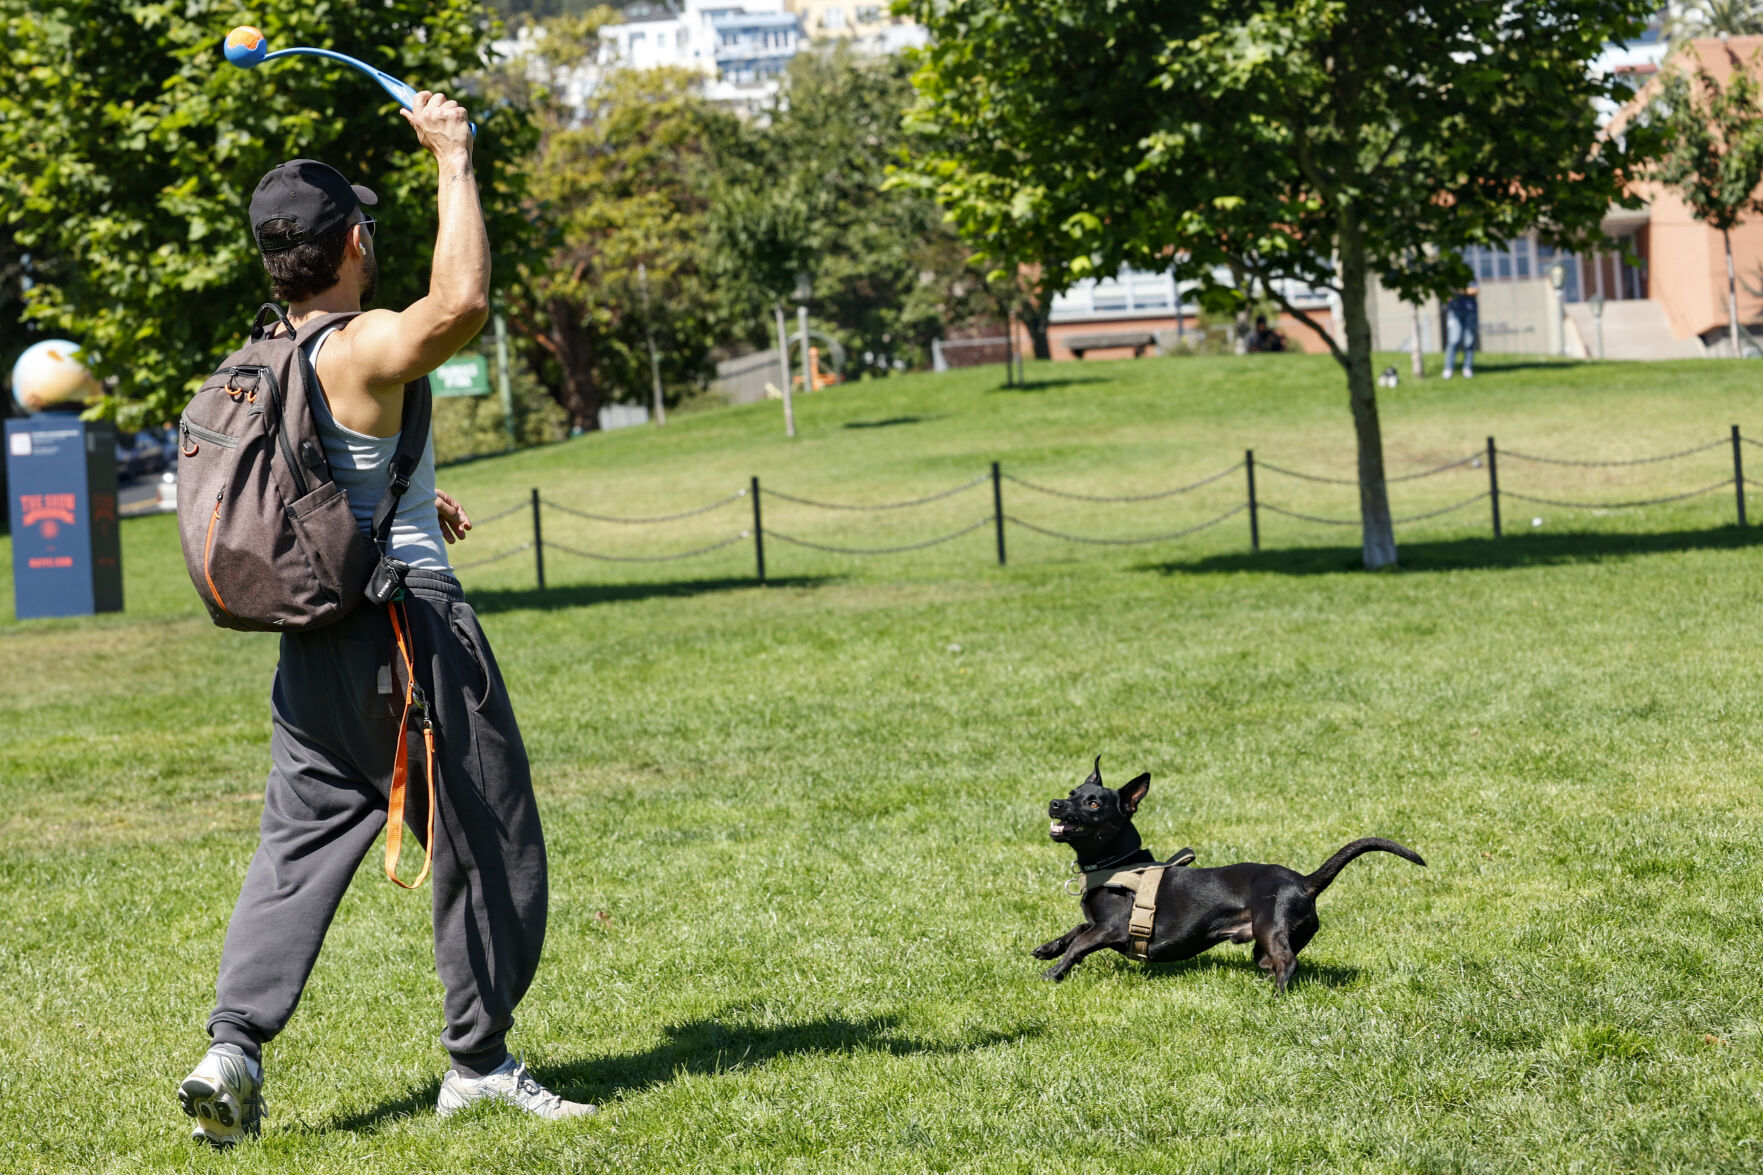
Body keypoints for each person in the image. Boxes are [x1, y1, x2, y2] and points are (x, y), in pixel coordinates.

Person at [176, 91, 590, 1149]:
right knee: (488, 834)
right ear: (354, 242)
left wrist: (406, 499)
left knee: (297, 843)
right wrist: (452, 158)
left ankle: (232, 1046)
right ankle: (480, 1062)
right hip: (407, 631)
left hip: (312, 646)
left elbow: (318, 476)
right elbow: (455, 306)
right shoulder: (353, 347)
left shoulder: (262, 355)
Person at [1443, 283, 1478, 379]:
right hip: (1454, 311)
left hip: (1470, 311)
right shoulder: (1451, 277)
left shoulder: (1469, 276)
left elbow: (1474, 290)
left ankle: (1467, 368)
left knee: (1469, 341)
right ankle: (1448, 368)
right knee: (1453, 340)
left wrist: (1460, 291)